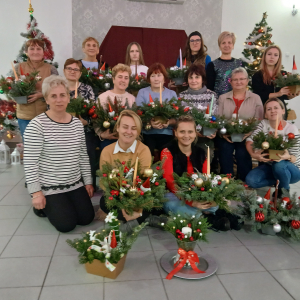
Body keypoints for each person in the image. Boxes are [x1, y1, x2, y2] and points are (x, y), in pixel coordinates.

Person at [23, 75, 94, 233]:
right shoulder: (37, 126)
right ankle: (41, 208)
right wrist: (36, 193)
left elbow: (83, 155)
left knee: (86, 219)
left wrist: (88, 182)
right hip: (49, 186)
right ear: (46, 99)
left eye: (62, 95)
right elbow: (30, 162)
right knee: (66, 225)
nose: (59, 100)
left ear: (68, 98)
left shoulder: (76, 124)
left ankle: (62, 203)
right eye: (53, 96)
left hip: (74, 182)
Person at [161, 115, 242, 231]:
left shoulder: (201, 152)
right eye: (182, 132)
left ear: (195, 133)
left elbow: (206, 179)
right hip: (173, 194)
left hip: (195, 194)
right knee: (184, 209)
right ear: (175, 133)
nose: (186, 136)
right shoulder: (167, 151)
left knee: (213, 206)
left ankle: (204, 214)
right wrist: (190, 202)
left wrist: (204, 198)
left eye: (190, 132)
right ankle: (210, 219)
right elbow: (169, 181)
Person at [98, 110, 166, 232]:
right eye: (125, 127)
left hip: (138, 195)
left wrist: (137, 207)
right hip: (117, 195)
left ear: (138, 132)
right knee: (104, 202)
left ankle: (132, 221)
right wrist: (123, 204)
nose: (129, 132)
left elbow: (144, 183)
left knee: (154, 199)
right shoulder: (107, 151)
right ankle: (146, 219)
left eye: (134, 128)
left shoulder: (144, 150)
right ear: (118, 128)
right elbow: (105, 183)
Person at [245, 98, 300, 196]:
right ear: (265, 114)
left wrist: (287, 157)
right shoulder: (263, 124)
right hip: (269, 166)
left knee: (279, 164)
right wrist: (254, 154)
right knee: (251, 181)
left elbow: (295, 157)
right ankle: (279, 180)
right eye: (269, 109)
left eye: (276, 108)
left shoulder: (291, 129)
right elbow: (250, 140)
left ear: (283, 111)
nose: (273, 111)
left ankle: (284, 191)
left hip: (291, 169)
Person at [217, 67, 264, 181]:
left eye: (242, 79)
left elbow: (259, 120)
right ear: (230, 82)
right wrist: (223, 133)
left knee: (243, 152)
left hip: (248, 135)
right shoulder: (223, 98)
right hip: (226, 134)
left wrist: (249, 133)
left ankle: (244, 181)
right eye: (235, 79)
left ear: (247, 81)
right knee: (225, 149)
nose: (238, 82)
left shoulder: (255, 98)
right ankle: (227, 181)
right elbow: (218, 118)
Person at [64, 58, 99, 189]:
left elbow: (93, 111)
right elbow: (50, 109)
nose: (72, 72)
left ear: (80, 73)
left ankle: (89, 185)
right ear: (64, 71)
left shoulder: (87, 89)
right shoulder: (59, 88)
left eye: (76, 69)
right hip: (63, 130)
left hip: (84, 130)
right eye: (69, 69)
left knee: (88, 150)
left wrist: (86, 121)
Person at [15, 38, 59, 139]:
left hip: (46, 115)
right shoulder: (18, 68)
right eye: (32, 48)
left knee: (47, 147)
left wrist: (42, 94)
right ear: (26, 52)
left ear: (44, 52)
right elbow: (11, 89)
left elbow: (57, 89)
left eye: (39, 49)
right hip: (25, 115)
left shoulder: (50, 68)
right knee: (30, 148)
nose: (35, 52)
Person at [135, 63, 177, 158]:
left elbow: (177, 117)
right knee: (146, 155)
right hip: (147, 133)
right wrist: (150, 123)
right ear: (149, 79)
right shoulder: (143, 92)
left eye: (159, 75)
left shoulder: (171, 94)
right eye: (153, 76)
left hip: (166, 133)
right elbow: (138, 114)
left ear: (164, 78)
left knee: (167, 156)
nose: (156, 79)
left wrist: (168, 122)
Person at [179, 64, 218, 161]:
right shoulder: (181, 96)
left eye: (197, 77)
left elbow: (216, 116)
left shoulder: (212, 95)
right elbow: (179, 118)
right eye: (190, 77)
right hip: (186, 136)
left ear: (203, 79)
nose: (193, 80)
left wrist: (214, 130)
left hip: (205, 137)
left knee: (204, 161)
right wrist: (194, 131)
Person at [97, 63, 135, 150]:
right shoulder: (103, 97)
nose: (123, 80)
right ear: (113, 79)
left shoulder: (132, 99)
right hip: (109, 139)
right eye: (120, 77)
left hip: (128, 139)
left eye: (126, 78)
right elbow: (96, 120)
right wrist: (102, 134)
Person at [252, 45, 298, 117]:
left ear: (278, 58)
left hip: (280, 111)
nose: (272, 57)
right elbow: (258, 96)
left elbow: (285, 96)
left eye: (276, 55)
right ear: (265, 56)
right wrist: (278, 93)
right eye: (269, 54)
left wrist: (291, 95)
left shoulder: (284, 74)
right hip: (263, 111)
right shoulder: (257, 75)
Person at [206, 31, 242, 96]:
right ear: (219, 46)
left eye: (229, 43)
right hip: (218, 102)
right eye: (223, 43)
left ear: (233, 45)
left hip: (236, 101)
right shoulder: (212, 65)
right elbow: (209, 88)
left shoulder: (240, 64)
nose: (226, 45)